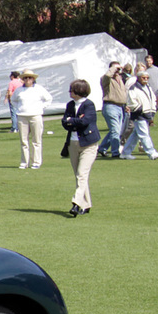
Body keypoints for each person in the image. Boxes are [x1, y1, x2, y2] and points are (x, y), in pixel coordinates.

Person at [60, 79, 100, 217]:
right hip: (73, 143)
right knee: (79, 175)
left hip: (88, 144)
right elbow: (64, 122)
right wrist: (71, 121)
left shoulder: (89, 105)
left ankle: (76, 203)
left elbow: (85, 121)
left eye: (71, 90)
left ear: (79, 91)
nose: (69, 92)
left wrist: (72, 121)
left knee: (82, 174)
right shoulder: (70, 105)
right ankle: (86, 204)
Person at [12, 70, 52, 169]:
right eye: (25, 78)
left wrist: (41, 107)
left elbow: (48, 99)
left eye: (29, 77)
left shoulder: (39, 89)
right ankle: (24, 162)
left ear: (33, 79)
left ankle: (36, 162)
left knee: (36, 140)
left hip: (36, 115)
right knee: (24, 141)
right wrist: (19, 108)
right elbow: (13, 100)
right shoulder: (19, 90)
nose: (27, 80)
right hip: (22, 116)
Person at [120, 65, 158, 160]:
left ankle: (125, 153)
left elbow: (152, 98)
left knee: (136, 134)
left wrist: (153, 108)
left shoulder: (148, 87)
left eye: (147, 78)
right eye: (143, 78)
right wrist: (139, 108)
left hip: (147, 113)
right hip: (139, 114)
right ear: (138, 78)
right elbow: (131, 101)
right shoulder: (133, 88)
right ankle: (151, 152)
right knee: (144, 133)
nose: (146, 80)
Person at [99, 62, 129, 159]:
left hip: (121, 107)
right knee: (115, 130)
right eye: (116, 68)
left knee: (116, 131)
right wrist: (114, 68)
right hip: (110, 106)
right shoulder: (106, 79)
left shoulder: (120, 79)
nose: (118, 70)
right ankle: (115, 152)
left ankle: (102, 148)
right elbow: (108, 75)